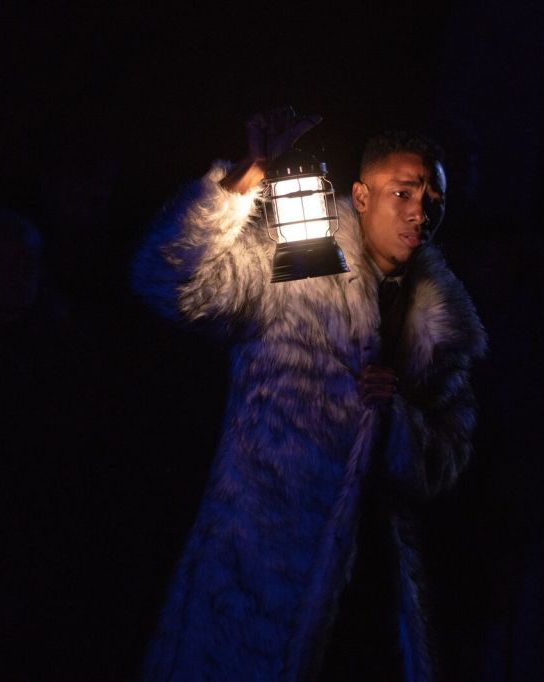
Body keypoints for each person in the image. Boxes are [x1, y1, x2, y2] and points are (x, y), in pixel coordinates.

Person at [132, 108, 486, 681]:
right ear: (361, 196)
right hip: (259, 578)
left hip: (371, 594)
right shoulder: (296, 263)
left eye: (433, 200)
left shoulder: (440, 327)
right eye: (403, 192)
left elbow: (445, 464)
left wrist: (394, 417)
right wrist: (245, 178)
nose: (420, 212)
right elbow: (165, 280)